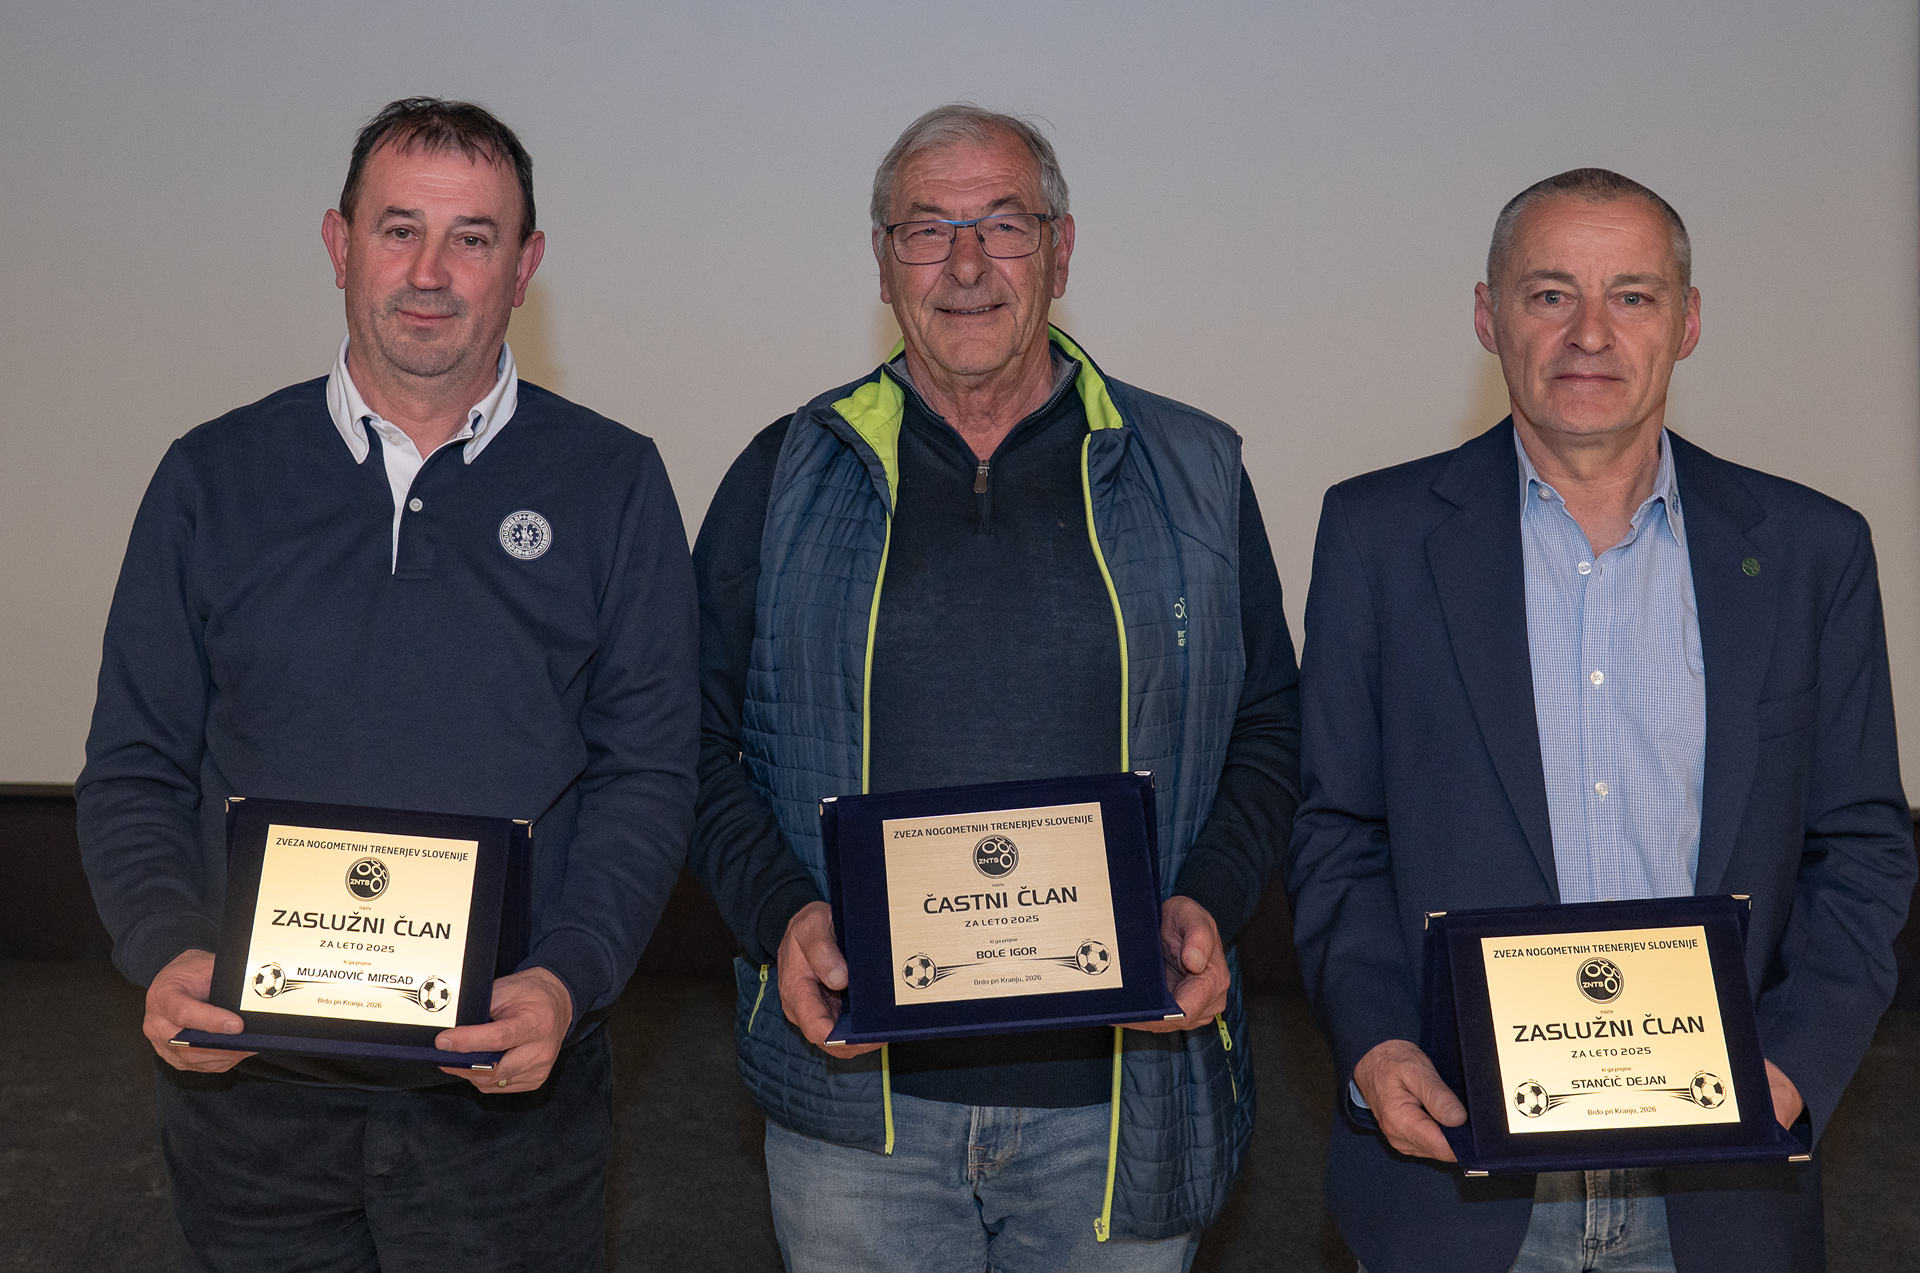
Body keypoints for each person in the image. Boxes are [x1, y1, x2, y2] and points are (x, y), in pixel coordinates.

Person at [75, 97, 696, 1271]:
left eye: (472, 238)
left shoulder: (613, 482)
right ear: (339, 242)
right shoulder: (212, 476)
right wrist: (164, 946)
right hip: (251, 1096)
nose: (428, 272)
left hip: (510, 1098)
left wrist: (567, 980)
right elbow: (134, 766)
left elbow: (649, 773)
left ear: (526, 266)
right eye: (398, 228)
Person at [689, 103, 1300, 1271]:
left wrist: (1209, 897)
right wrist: (783, 918)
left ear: (1061, 251)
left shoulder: (1194, 471)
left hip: (1119, 1109)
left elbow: (1270, 722)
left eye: (1004, 225)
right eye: (927, 229)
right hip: (856, 1115)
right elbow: (691, 740)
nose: (966, 264)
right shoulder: (784, 473)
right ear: (884, 263)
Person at [1287, 167, 1915, 1272]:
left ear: (1688, 322)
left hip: (1720, 1191)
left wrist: (1789, 1066)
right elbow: (1337, 829)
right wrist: (1377, 1044)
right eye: (1549, 295)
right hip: (1454, 1185)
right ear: (1487, 316)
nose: (1589, 333)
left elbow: (1860, 846)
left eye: (1632, 296)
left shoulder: (1812, 550)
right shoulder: (1376, 536)